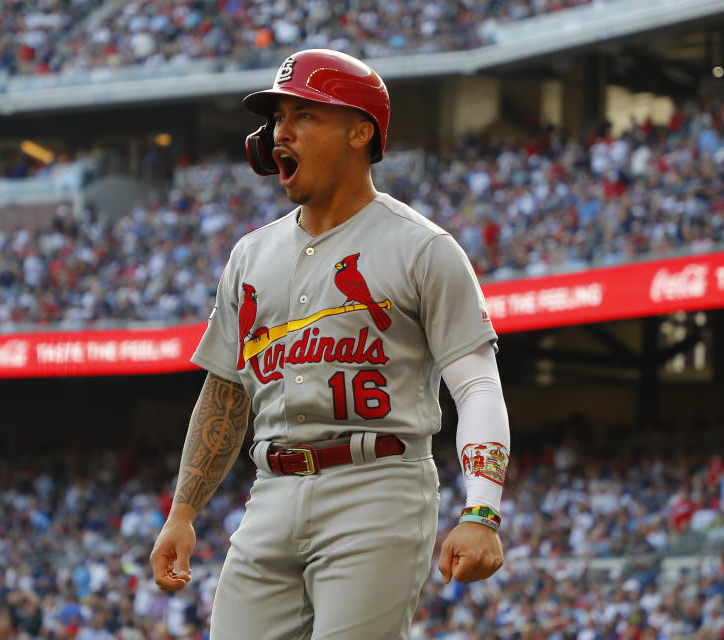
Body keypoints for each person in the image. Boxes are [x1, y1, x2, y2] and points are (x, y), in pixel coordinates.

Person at [150, 48, 511, 639]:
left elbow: (475, 385)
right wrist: (183, 512)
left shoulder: (423, 248)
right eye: (276, 119)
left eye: (303, 116)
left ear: (360, 132)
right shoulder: (250, 254)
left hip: (378, 488)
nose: (279, 133)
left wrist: (483, 509)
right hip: (270, 491)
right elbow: (225, 393)